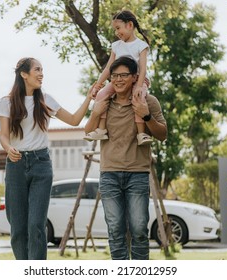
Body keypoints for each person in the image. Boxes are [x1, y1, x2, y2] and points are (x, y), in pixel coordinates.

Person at [0, 57, 92, 260]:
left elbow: (74, 120)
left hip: (41, 165)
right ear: (24, 74)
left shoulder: (45, 99)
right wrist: (8, 147)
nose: (41, 74)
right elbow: (3, 136)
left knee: (36, 225)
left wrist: (89, 97)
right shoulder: (6, 102)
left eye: (42, 70)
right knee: (18, 228)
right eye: (37, 70)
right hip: (16, 165)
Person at [84, 56, 167, 260]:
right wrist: (95, 114)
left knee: (139, 229)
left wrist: (146, 116)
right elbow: (87, 131)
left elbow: (163, 134)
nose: (118, 80)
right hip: (109, 174)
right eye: (114, 76)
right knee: (115, 230)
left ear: (134, 77)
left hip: (137, 174)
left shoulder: (148, 101)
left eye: (123, 75)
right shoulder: (104, 101)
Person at [83, 10, 153, 145]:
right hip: (119, 80)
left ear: (130, 25)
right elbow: (109, 68)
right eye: (115, 29)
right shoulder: (116, 46)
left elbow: (143, 68)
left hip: (138, 79)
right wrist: (98, 84)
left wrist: (138, 86)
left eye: (118, 28)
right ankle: (101, 130)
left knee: (138, 98)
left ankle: (141, 134)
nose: (116, 32)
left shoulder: (141, 46)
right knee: (102, 95)